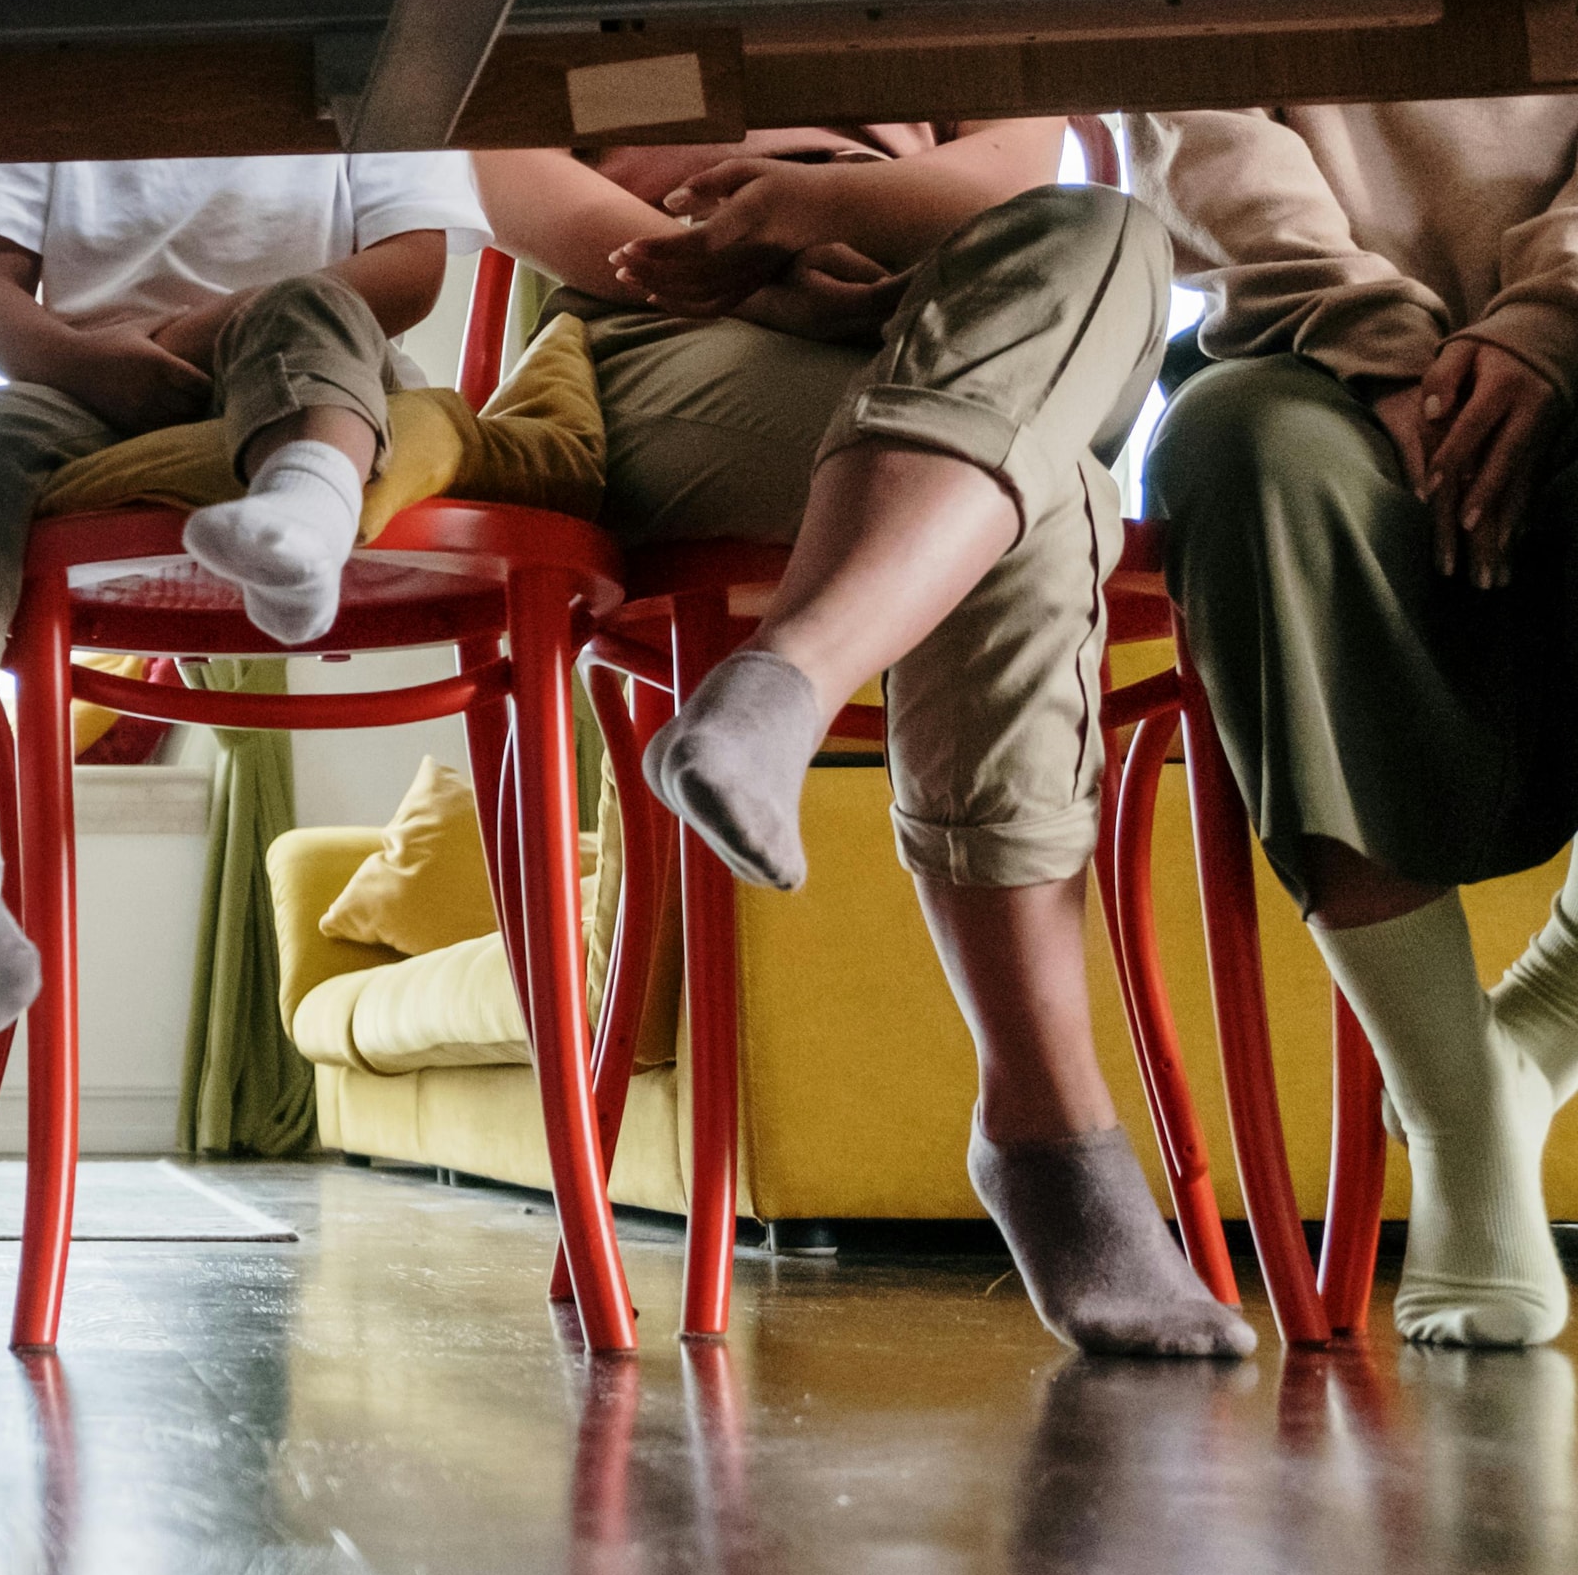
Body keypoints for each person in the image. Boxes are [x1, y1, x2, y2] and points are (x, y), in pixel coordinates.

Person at [477, 125, 1251, 1358]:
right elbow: (494, 163)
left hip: (959, 315)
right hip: (677, 335)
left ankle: (785, 683)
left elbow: (1007, 178)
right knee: (1034, 505)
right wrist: (728, 255)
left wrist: (816, 204)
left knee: (1108, 231)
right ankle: (1049, 1134)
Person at [1131, 99, 1578, 1349]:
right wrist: (1381, 347)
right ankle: (1455, 1113)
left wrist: (1550, 326)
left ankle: (1547, 1020)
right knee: (1240, 452)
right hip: (1309, 345)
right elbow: (1194, 129)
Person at [0, 151, 481, 1035]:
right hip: (92, 387)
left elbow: (410, 271)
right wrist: (82, 362)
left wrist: (214, 325)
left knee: (309, 304)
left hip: (308, 359)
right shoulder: (59, 76)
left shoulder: (367, 69)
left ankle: (305, 514)